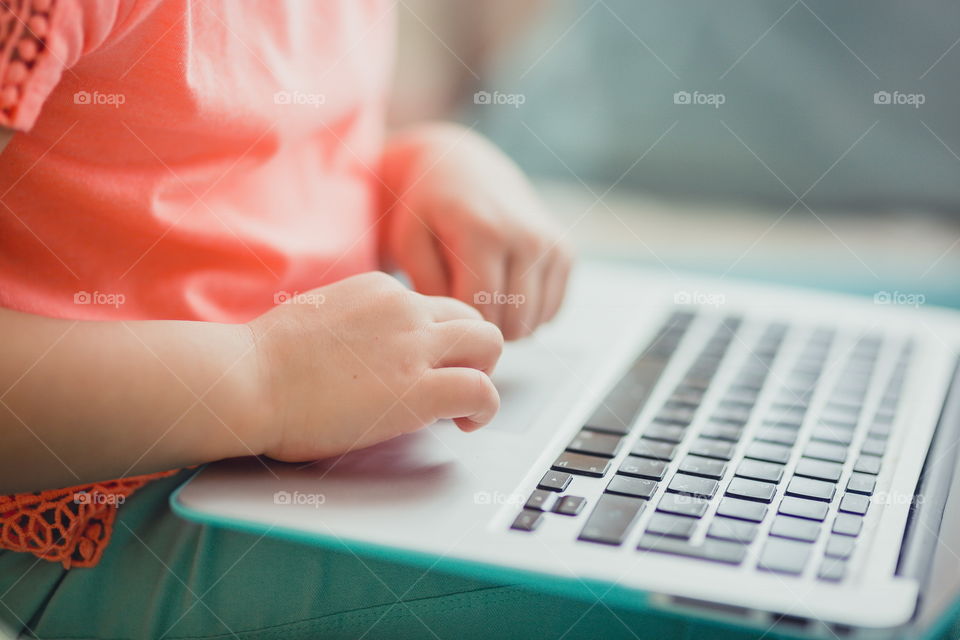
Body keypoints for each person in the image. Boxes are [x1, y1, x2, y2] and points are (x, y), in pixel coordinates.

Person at [0, 2, 606, 638]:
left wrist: (411, 169)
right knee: (621, 599)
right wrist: (266, 381)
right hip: (93, 509)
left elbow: (248, 166)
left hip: (305, 427)